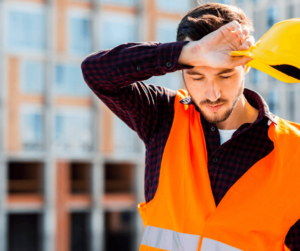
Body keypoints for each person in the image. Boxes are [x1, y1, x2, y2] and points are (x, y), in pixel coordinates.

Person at [81, 3, 300, 251]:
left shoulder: (295, 153)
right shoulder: (164, 115)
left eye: (225, 75)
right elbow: (96, 71)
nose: (212, 93)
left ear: (247, 64)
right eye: (196, 76)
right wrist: (189, 53)